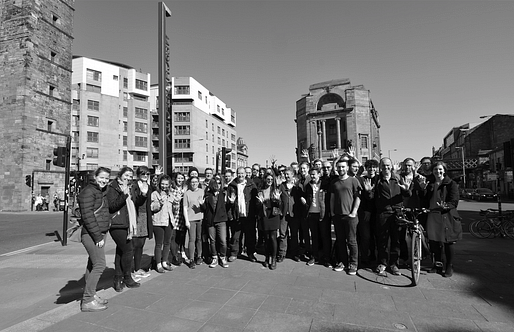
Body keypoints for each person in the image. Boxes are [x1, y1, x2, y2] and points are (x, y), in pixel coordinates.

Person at [363, 158, 411, 276]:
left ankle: (394, 264)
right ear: (380, 167)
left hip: (397, 213)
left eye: (388, 165)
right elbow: (371, 197)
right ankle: (382, 263)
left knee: (396, 240)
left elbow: (407, 195)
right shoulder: (377, 180)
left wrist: (406, 189)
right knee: (382, 240)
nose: (386, 168)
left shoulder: (398, 178)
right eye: (383, 166)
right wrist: (369, 191)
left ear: (391, 167)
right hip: (383, 213)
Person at [78, 167, 111, 312]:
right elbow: (88, 216)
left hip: (99, 232)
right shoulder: (88, 192)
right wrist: (98, 236)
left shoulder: (100, 191)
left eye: (106, 178)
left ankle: (91, 294)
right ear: (95, 177)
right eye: (102, 177)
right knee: (100, 265)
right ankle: (87, 300)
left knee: (92, 265)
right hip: (92, 234)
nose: (104, 180)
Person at [422, 161, 461, 277]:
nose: (437, 171)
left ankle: (449, 265)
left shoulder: (451, 184)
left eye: (440, 169)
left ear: (444, 170)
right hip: (433, 215)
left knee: (447, 242)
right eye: (435, 170)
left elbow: (454, 201)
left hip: (446, 215)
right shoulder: (430, 184)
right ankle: (437, 265)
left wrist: (446, 206)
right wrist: (423, 190)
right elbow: (425, 199)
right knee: (434, 242)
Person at [107, 167, 142, 292]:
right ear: (120, 175)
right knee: (128, 249)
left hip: (126, 223)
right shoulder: (113, 187)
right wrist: (124, 194)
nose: (128, 178)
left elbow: (135, 202)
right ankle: (127, 277)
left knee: (120, 251)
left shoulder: (130, 187)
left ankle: (118, 279)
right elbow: (112, 206)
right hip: (117, 223)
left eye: (130, 176)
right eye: (126, 175)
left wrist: (142, 193)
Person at [330, 159, 361, 275]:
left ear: (347, 168)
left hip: (350, 216)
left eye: (343, 167)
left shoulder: (353, 181)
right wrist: (333, 213)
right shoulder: (334, 182)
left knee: (352, 241)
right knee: (340, 240)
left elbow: (358, 197)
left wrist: (354, 211)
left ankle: (353, 264)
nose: (341, 169)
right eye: (339, 167)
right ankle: (343, 262)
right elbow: (332, 198)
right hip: (338, 216)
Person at [226, 167, 258, 262]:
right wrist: (230, 214)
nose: (240, 175)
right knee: (235, 236)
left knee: (250, 236)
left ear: (245, 174)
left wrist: (256, 213)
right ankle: (234, 253)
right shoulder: (232, 185)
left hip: (249, 215)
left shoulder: (251, 184)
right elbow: (228, 202)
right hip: (237, 215)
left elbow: (255, 201)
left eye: (242, 173)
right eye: (239, 173)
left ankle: (250, 253)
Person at [150, 174, 176, 273]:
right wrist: (159, 203)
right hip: (158, 222)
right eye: (162, 184)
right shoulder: (155, 194)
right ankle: (158, 264)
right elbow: (152, 208)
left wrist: (176, 205)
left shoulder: (170, 194)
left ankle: (164, 262)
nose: (164, 186)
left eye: (166, 184)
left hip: (169, 221)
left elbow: (172, 209)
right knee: (159, 244)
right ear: (159, 184)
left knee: (167, 243)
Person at [256, 172, 282, 270]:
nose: (270, 181)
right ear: (265, 180)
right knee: (266, 238)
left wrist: (278, 200)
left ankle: (274, 259)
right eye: (268, 179)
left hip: (273, 215)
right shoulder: (261, 191)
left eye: (271, 179)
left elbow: (280, 205)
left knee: (273, 237)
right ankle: (267, 258)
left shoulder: (276, 190)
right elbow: (257, 205)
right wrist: (260, 202)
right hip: (265, 215)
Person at [131, 166, 153, 280]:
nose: (145, 175)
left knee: (140, 245)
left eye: (147, 174)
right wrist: (142, 194)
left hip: (145, 216)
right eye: (143, 173)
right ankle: (130, 271)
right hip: (136, 216)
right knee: (133, 245)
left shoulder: (148, 187)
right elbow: (136, 202)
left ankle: (137, 268)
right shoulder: (134, 186)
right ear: (138, 175)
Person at [357, 159, 379, 266]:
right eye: (369, 167)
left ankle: (374, 256)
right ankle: (364, 258)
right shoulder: (362, 180)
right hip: (365, 211)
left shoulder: (379, 179)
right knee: (365, 236)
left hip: (377, 212)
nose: (372, 169)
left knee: (376, 236)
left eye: (374, 167)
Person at [204, 178, 229, 268]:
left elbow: (228, 205)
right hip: (210, 220)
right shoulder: (207, 195)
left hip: (221, 220)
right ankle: (215, 257)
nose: (217, 185)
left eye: (219, 183)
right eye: (215, 183)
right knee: (212, 241)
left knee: (223, 240)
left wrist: (231, 202)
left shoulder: (223, 193)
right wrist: (202, 204)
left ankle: (222, 257)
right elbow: (205, 209)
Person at [304, 167, 325, 266]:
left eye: (314, 174)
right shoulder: (308, 185)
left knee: (324, 236)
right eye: (311, 174)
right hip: (311, 213)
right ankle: (314, 256)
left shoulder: (324, 184)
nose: (312, 176)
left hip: (322, 213)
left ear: (319, 174)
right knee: (314, 236)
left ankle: (325, 257)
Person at [183, 176, 205, 268]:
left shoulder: (202, 191)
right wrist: (186, 220)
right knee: (192, 239)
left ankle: (199, 256)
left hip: (200, 218)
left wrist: (202, 204)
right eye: (192, 182)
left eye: (196, 182)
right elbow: (184, 207)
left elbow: (205, 204)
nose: (194, 183)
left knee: (199, 238)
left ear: (198, 182)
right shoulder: (187, 193)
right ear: (189, 183)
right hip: (191, 219)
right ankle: (191, 259)